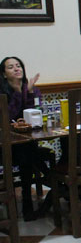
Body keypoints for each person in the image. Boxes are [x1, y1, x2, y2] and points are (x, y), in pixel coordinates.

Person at [0, 56, 47, 221]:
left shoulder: (31, 88)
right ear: (4, 74)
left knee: (28, 152)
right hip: (6, 145)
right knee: (26, 155)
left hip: (28, 141)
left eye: (18, 65)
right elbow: (8, 117)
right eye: (11, 67)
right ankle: (29, 202)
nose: (16, 69)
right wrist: (19, 94)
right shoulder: (2, 92)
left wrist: (29, 93)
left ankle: (52, 187)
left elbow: (36, 113)